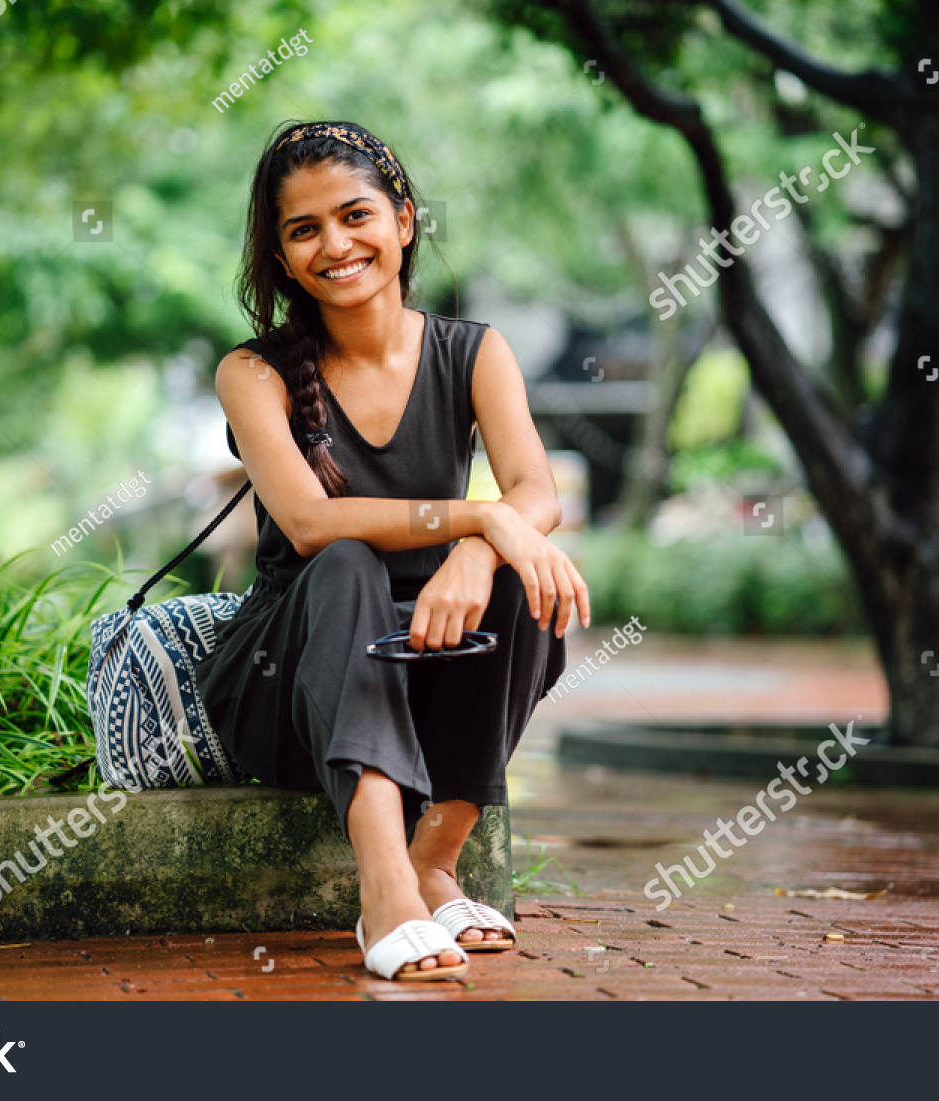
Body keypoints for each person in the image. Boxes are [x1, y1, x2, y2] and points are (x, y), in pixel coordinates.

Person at [193, 120, 590, 983]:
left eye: (355, 214)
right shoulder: (251, 373)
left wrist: (485, 550)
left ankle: (433, 863)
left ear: (404, 220)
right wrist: (477, 519)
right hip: (292, 677)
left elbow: (537, 492)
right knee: (347, 564)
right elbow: (308, 523)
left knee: (527, 581)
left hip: (428, 661)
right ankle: (383, 888)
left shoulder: (474, 351)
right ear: (283, 257)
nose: (335, 244)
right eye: (303, 230)